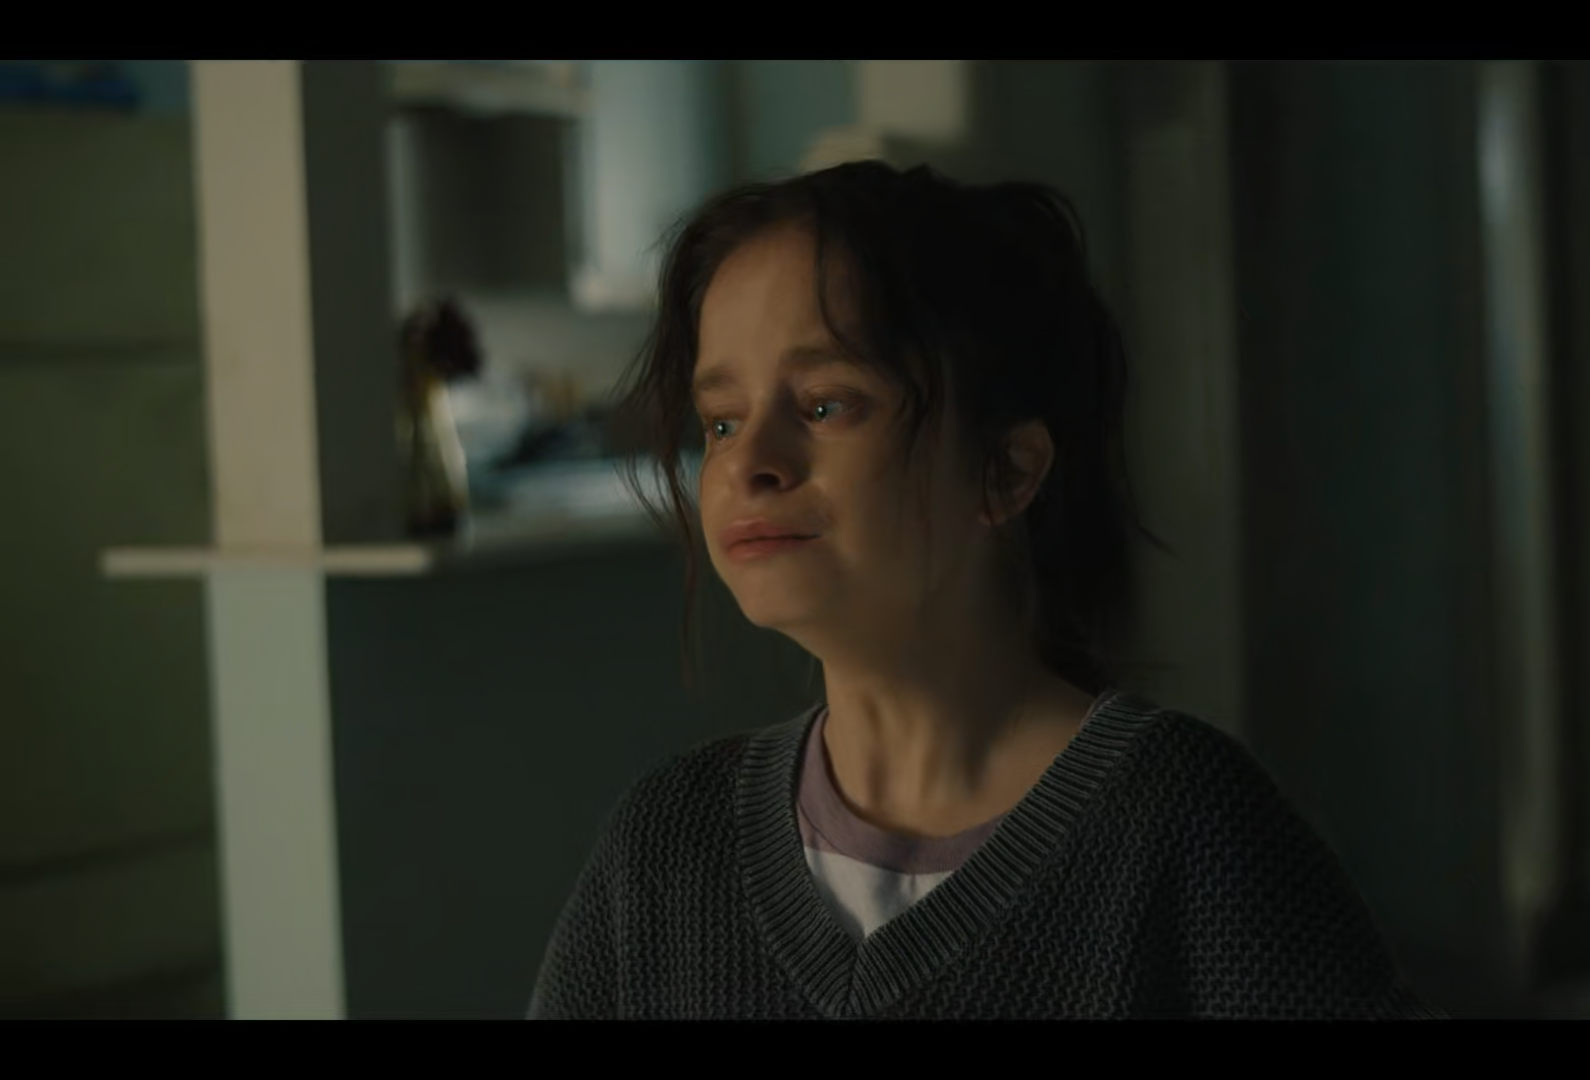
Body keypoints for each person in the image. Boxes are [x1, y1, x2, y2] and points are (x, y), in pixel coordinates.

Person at [528, 160, 1445, 1020]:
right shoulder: (664, 847)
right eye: (722, 420)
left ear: (1005, 470)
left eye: (825, 405)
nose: (748, 463)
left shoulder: (1191, 832)